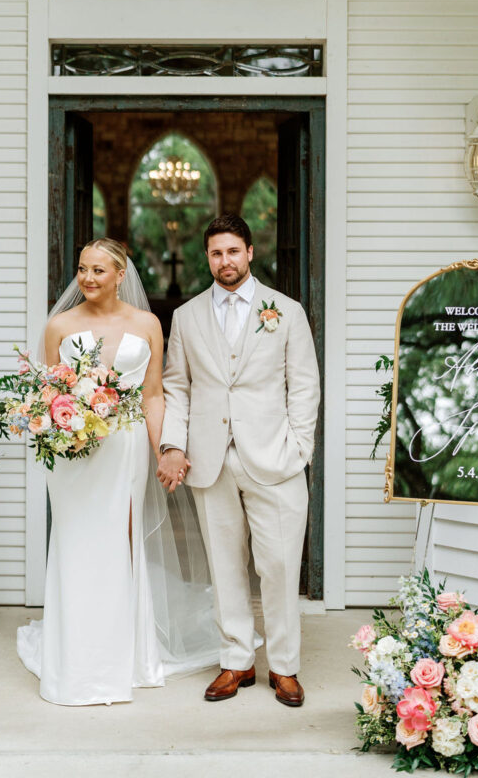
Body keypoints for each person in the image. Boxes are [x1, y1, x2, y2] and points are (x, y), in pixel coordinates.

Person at [17, 238, 218, 705]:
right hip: (73, 453)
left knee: (117, 543)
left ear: (120, 275)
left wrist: (166, 450)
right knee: (74, 543)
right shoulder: (59, 326)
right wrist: (58, 432)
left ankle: (119, 652)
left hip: (124, 445)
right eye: (83, 269)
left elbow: (152, 396)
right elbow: (49, 393)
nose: (88, 279)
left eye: (98, 271)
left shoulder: (147, 324)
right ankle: (74, 653)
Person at [158, 214, 320, 707]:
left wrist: (298, 449)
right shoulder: (186, 317)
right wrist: (173, 445)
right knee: (224, 567)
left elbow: (305, 386)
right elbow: (177, 387)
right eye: (215, 253)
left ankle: (285, 667)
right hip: (210, 460)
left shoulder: (286, 312)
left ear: (249, 252)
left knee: (278, 566)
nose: (224, 261)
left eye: (232, 251)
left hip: (275, 459)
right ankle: (236, 661)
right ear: (207, 257)